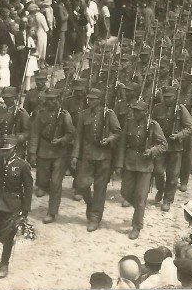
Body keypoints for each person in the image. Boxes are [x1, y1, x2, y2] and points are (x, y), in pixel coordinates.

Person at [0, 135, 32, 279]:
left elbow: (28, 188)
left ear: (14, 149)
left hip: (14, 205)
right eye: (2, 149)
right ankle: (8, 242)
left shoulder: (22, 165)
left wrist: (25, 210)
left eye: (7, 149)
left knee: (8, 235)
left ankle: (4, 264)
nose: (4, 152)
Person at [116, 100, 168, 240]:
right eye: (134, 110)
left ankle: (136, 225)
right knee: (125, 192)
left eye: (138, 111)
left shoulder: (153, 125)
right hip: (130, 162)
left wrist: (152, 151)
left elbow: (164, 145)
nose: (135, 113)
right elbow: (122, 145)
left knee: (140, 196)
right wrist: (119, 164)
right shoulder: (129, 123)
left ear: (145, 112)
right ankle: (140, 209)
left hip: (145, 165)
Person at [72, 88, 121, 232]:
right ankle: (90, 203)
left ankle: (95, 218)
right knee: (81, 184)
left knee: (100, 189)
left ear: (99, 100)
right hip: (87, 154)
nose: (90, 101)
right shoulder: (83, 115)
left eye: (93, 99)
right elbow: (78, 137)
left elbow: (118, 132)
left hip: (104, 156)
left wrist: (109, 139)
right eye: (89, 99)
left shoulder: (108, 114)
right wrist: (75, 155)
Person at [28, 88, 75, 224]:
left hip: (59, 153)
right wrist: (32, 152)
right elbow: (35, 133)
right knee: (41, 181)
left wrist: (62, 140)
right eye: (48, 99)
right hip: (43, 150)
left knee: (55, 183)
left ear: (58, 100)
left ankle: (52, 211)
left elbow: (71, 134)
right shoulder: (40, 113)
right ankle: (54, 195)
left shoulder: (64, 115)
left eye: (53, 99)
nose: (51, 102)